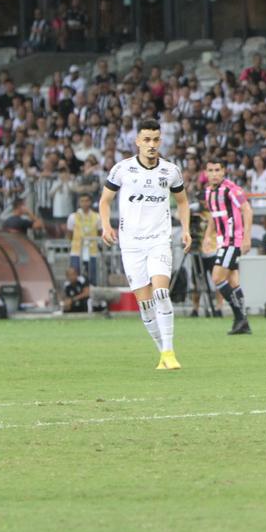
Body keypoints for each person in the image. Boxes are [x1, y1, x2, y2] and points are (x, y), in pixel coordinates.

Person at [99, 118, 191, 370]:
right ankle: (162, 352)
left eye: (156, 140)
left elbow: (182, 202)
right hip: (131, 245)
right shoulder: (122, 169)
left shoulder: (170, 171)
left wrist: (186, 230)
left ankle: (170, 352)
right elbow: (105, 201)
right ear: (137, 142)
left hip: (159, 241)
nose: (151, 144)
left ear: (160, 141)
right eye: (147, 140)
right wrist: (106, 226)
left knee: (161, 292)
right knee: (145, 304)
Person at [204, 159, 253, 334]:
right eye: (210, 170)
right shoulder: (209, 191)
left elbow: (247, 210)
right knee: (233, 281)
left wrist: (246, 237)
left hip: (233, 240)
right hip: (222, 241)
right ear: (206, 173)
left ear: (224, 171)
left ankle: (240, 318)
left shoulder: (232, 189)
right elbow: (212, 216)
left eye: (217, 169)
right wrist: (207, 236)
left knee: (217, 278)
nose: (214, 173)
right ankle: (243, 322)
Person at [66, 193, 101, 283]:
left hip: (92, 251)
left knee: (92, 277)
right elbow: (69, 234)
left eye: (87, 201)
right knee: (76, 276)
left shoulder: (97, 217)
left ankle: (92, 295)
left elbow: (99, 233)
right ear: (79, 203)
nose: (85, 203)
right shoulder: (72, 217)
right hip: (77, 251)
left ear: (90, 202)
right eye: (82, 201)